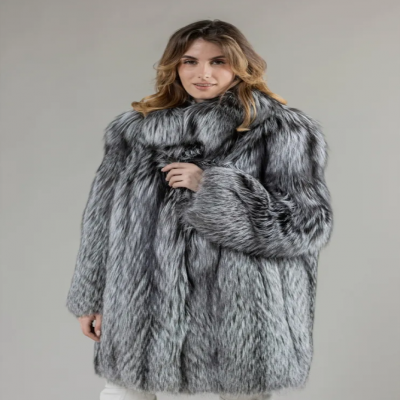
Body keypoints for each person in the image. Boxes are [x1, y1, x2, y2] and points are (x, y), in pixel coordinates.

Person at [66, 19, 333, 400]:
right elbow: (100, 219)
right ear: (174, 66)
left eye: (218, 61)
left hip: (240, 306)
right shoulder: (133, 132)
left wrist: (213, 187)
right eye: (190, 61)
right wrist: (90, 298)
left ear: (240, 65)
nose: (202, 73)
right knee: (123, 390)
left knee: (241, 394)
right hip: (143, 299)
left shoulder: (280, 130)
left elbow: (305, 225)